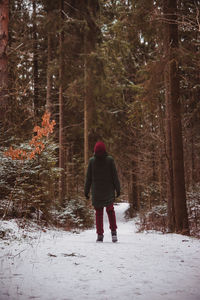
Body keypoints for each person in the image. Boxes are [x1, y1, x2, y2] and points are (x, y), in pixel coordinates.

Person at [84, 141, 120, 242]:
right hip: (108, 191)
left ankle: (100, 235)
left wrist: (86, 191)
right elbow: (115, 176)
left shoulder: (92, 161)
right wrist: (118, 189)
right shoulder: (110, 160)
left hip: (97, 192)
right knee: (110, 211)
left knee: (98, 213)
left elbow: (88, 178)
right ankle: (114, 233)